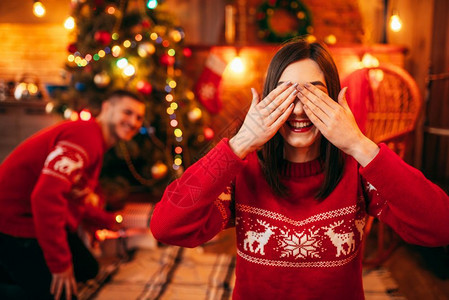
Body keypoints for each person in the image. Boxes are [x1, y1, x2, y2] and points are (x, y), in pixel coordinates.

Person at [150, 38, 449, 300]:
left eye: (313, 96)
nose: (298, 109)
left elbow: (441, 226)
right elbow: (166, 226)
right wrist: (240, 143)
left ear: (334, 101)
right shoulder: (243, 171)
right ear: (268, 100)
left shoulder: (357, 169)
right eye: (286, 95)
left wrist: (359, 144)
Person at [0, 89, 145, 300]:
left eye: (139, 117)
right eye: (127, 112)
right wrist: (60, 264)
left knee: (87, 269)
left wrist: (110, 222)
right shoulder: (84, 138)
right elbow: (45, 198)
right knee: (62, 295)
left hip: (32, 216)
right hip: (13, 222)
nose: (133, 122)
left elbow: (73, 198)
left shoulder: (94, 141)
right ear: (107, 108)